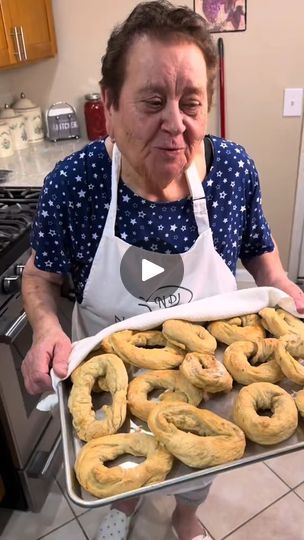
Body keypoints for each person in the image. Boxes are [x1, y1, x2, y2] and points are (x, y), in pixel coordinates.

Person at [21, 1, 304, 539]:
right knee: (132, 470)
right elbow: (40, 275)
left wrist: (282, 285)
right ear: (110, 104)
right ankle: (124, 504)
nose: (176, 124)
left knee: (197, 470)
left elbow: (258, 251)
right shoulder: (74, 184)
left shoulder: (232, 171)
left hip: (211, 374)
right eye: (153, 101)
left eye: (191, 103)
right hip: (112, 383)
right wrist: (46, 328)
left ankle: (186, 515)